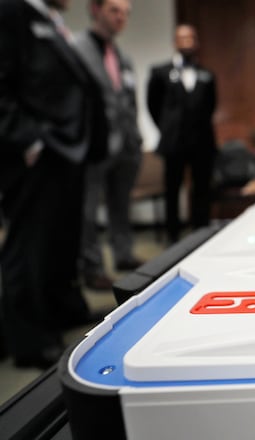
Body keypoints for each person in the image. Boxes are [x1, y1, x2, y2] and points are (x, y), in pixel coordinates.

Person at [0, 0, 108, 368]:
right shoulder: (10, 12)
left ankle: (62, 309)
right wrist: (26, 139)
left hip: (67, 150)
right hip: (36, 151)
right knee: (29, 243)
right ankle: (28, 339)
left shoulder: (52, 21)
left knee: (61, 238)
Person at [73, 0, 143, 290]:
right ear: (95, 9)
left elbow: (128, 99)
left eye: (126, 13)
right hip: (94, 145)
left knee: (120, 205)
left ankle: (123, 254)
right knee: (87, 211)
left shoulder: (122, 57)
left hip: (126, 145)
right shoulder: (77, 49)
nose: (121, 18)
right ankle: (92, 267)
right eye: (115, 10)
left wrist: (135, 137)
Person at [146, 24, 217, 244]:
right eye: (182, 38)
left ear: (196, 42)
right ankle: (173, 237)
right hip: (174, 142)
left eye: (191, 38)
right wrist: (167, 129)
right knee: (172, 189)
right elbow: (153, 105)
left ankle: (201, 234)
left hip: (202, 141)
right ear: (175, 42)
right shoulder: (160, 72)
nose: (187, 42)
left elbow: (211, 105)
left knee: (201, 189)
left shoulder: (207, 75)